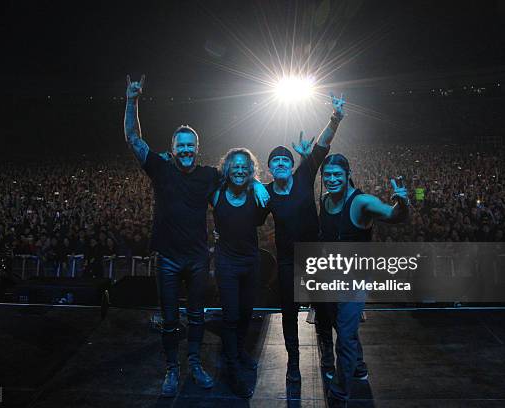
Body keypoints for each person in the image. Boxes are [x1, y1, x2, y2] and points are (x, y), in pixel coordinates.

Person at [123, 74, 269, 397]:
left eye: (191, 146)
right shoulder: (159, 168)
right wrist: (132, 100)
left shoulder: (208, 176)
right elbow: (134, 139)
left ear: (197, 149)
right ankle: (172, 370)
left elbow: (237, 173)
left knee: (198, 315)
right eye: (181, 146)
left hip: (199, 258)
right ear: (172, 150)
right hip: (169, 259)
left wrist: (257, 181)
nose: (186, 150)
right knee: (171, 317)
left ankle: (195, 363)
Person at [260, 92, 346, 397]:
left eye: (285, 159)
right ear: (270, 168)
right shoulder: (266, 191)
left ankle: (328, 358)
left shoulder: (303, 176)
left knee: (325, 311)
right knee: (288, 313)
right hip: (286, 261)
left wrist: (334, 118)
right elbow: (251, 216)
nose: (282, 162)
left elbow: (322, 147)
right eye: (276, 160)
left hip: (315, 257)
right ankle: (293, 363)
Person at [318, 153, 408, 407]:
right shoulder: (324, 201)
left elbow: (393, 216)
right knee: (341, 326)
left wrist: (402, 204)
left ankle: (339, 394)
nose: (332, 179)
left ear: (348, 175)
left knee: (344, 337)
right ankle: (358, 366)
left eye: (337, 174)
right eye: (328, 175)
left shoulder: (362, 202)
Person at [212, 148, 267, 398]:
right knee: (231, 315)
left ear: (251, 169)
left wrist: (257, 183)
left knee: (246, 313)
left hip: (250, 262)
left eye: (245, 166)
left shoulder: (255, 193)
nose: (240, 170)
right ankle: (232, 368)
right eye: (235, 165)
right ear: (226, 168)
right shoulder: (215, 192)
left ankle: (238, 351)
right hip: (226, 262)